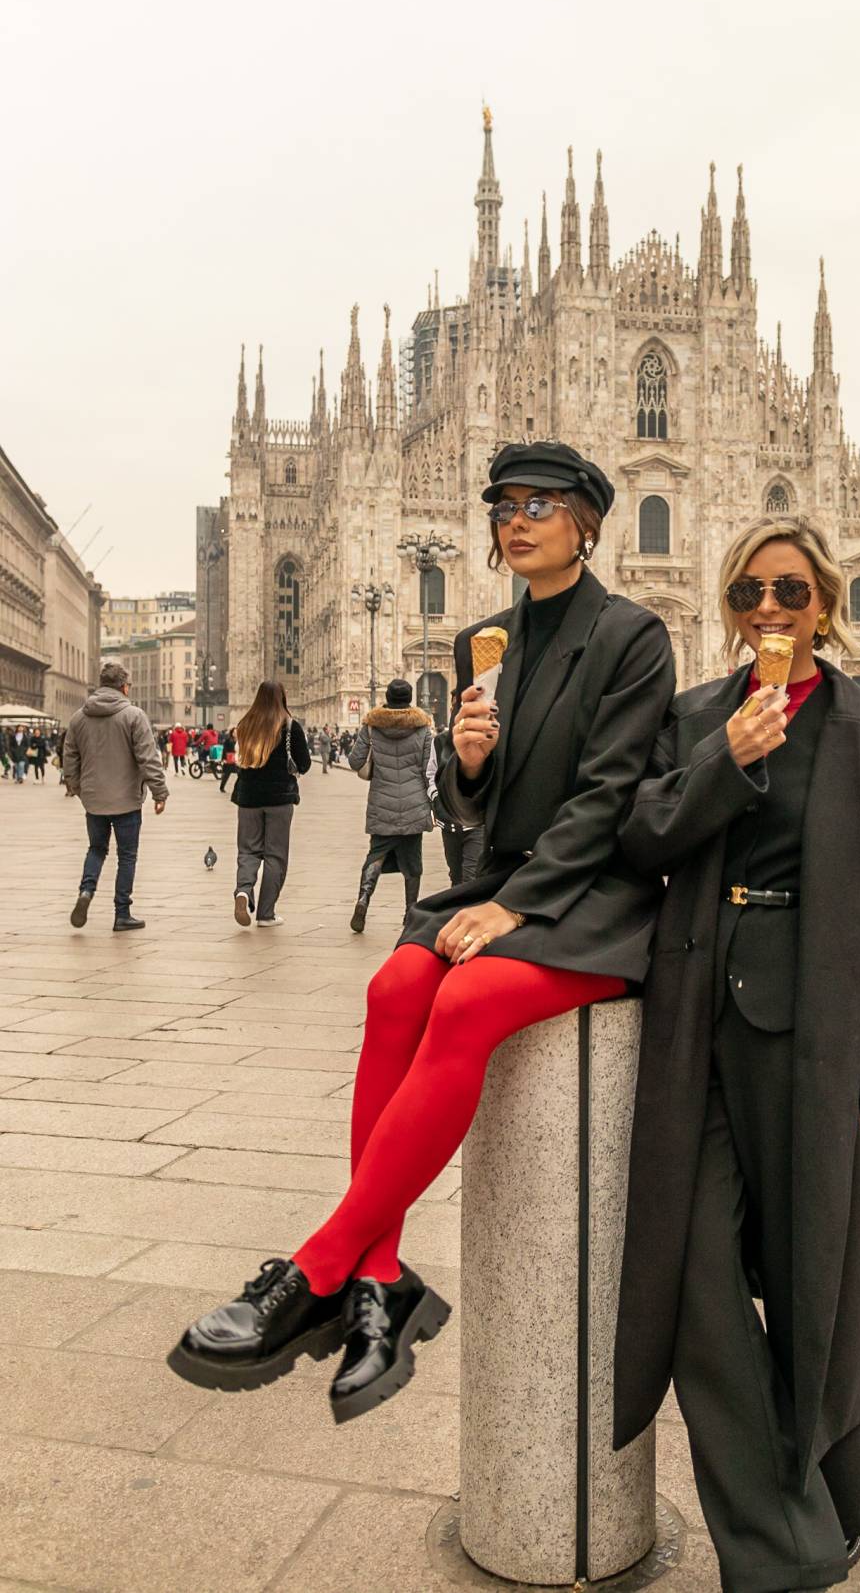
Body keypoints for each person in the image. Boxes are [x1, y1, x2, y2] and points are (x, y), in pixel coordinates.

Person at [168, 440, 675, 1426]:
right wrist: (473, 762)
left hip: (595, 893)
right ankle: (385, 1273)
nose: (516, 518)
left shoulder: (634, 635)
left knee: (472, 996)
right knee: (394, 986)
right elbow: (470, 805)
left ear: (587, 522)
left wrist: (516, 905)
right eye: (503, 505)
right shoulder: (483, 642)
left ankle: (320, 1266)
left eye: (540, 502)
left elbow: (613, 791)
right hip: (506, 875)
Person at [612, 514, 860, 1592]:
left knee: (814, 1281)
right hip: (700, 1019)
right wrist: (725, 758)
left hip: (814, 1034)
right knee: (700, 1280)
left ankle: (846, 1484)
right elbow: (644, 833)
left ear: (825, 603)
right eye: (750, 589)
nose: (769, 609)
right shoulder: (699, 714)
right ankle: (784, 1543)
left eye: (790, 591)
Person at [62, 660, 169, 931]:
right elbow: (148, 758)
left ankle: (86, 891)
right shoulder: (134, 716)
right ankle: (122, 913)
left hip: (94, 800)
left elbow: (70, 756)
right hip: (127, 801)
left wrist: (75, 787)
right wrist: (159, 791)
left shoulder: (79, 717)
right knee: (127, 856)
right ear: (124, 686)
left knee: (96, 849)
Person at [348, 679, 436, 933]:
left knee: (376, 854)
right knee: (412, 861)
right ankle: (410, 913)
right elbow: (428, 769)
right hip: (414, 802)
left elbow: (355, 762)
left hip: (382, 801)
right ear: (410, 699)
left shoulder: (371, 727)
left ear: (387, 697)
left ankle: (363, 899)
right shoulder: (423, 730)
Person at [228, 684, 310, 926]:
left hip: (248, 798)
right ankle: (266, 914)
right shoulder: (289, 726)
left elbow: (240, 760)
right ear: (282, 698)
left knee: (248, 851)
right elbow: (304, 763)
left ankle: (243, 891)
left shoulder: (244, 725)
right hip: (279, 798)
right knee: (275, 855)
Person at [433, 724, 486, 888]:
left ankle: (465, 910)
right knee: (455, 875)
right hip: (449, 823)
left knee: (470, 876)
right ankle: (457, 910)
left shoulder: (485, 739)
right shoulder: (440, 741)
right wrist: (437, 800)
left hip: (476, 822)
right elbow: (430, 774)